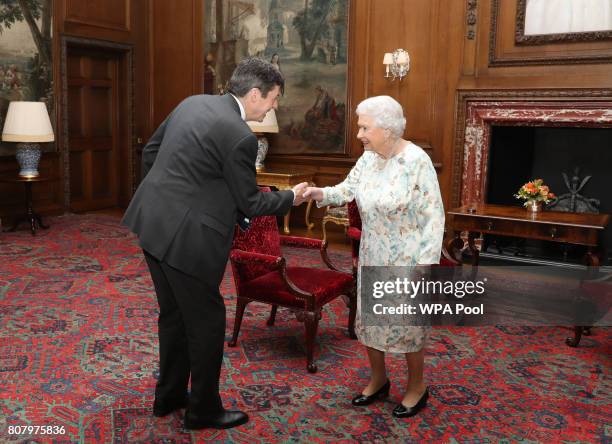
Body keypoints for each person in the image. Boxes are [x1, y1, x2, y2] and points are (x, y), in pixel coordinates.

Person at [122, 58, 308, 430]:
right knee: (207, 323)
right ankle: (203, 409)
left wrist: (170, 198)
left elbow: (151, 153)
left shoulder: (192, 102)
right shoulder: (239, 136)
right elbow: (251, 203)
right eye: (273, 99)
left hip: (151, 222)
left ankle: (170, 395)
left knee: (173, 315)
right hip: (187, 241)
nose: (274, 107)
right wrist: (291, 198)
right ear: (255, 95)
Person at [303, 95, 444, 418]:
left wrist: (425, 263)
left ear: (387, 128)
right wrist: (318, 193)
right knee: (370, 320)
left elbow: (433, 216)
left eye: (365, 127)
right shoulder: (368, 158)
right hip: (372, 253)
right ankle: (379, 379)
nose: (359, 134)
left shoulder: (416, 160)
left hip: (408, 260)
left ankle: (416, 387)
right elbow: (345, 190)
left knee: (407, 325)